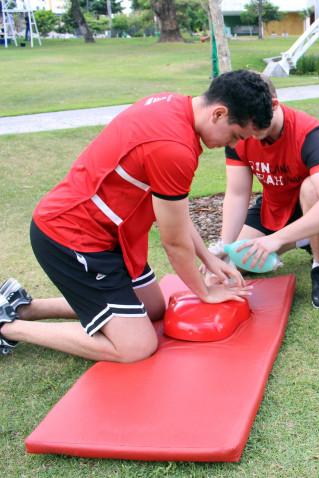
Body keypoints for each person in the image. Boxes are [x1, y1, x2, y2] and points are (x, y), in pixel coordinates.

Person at [0, 70, 273, 362]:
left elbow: (176, 218)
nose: (232, 145)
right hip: (71, 238)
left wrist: (209, 259)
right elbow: (174, 242)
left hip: (111, 234)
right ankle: (9, 327)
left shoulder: (172, 103)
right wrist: (204, 292)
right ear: (219, 113)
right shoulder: (174, 148)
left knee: (153, 307)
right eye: (235, 136)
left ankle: (24, 306)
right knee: (136, 346)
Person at [217, 77, 319, 309]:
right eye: (244, 129)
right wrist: (224, 248)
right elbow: (237, 193)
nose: (250, 134)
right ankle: (303, 239)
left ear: (274, 105)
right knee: (239, 262)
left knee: (312, 189)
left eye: (256, 127)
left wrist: (275, 240)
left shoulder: (309, 133)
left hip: (307, 205)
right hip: (274, 205)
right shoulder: (240, 134)